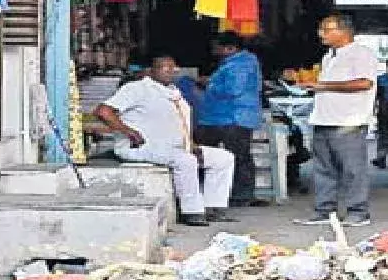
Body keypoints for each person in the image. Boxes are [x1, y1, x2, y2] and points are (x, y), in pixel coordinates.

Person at [95, 55, 234, 227]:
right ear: (150, 71)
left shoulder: (173, 92)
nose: (170, 70)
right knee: (185, 160)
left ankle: (214, 207)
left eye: (173, 67)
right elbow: (103, 111)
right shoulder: (137, 89)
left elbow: (180, 122)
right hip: (141, 147)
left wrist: (191, 144)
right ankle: (191, 211)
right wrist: (128, 131)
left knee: (223, 158)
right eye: (163, 67)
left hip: (174, 147)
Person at [291, 14, 377, 227]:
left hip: (348, 121)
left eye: (327, 29)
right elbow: (325, 86)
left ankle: (358, 212)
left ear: (344, 31)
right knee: (323, 169)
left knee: (351, 169)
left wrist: (323, 86)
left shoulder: (361, 54)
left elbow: (364, 83)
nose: (321, 34)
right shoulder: (329, 56)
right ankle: (324, 211)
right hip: (323, 118)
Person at [195, 32, 263, 207]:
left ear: (230, 48)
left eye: (217, 47)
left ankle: (239, 196)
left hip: (231, 117)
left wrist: (209, 84)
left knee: (233, 157)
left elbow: (233, 89)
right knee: (235, 157)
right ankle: (232, 195)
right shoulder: (240, 62)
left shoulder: (240, 64)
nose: (214, 51)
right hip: (223, 117)